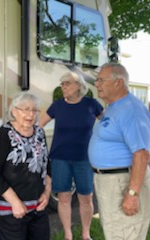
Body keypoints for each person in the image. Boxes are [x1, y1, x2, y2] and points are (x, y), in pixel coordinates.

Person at [88, 62, 150, 240]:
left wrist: (132, 194)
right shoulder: (114, 107)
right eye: (97, 80)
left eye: (101, 80)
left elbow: (142, 153)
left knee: (125, 233)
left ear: (119, 82)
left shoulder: (130, 109)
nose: (97, 84)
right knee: (115, 230)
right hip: (111, 181)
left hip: (123, 181)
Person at [39, 72, 104, 240]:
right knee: (64, 198)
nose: (63, 87)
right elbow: (39, 124)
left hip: (84, 158)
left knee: (86, 197)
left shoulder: (92, 104)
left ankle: (85, 234)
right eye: (62, 84)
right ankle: (68, 234)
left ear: (79, 86)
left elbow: (107, 124)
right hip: (60, 158)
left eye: (67, 83)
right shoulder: (57, 106)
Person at [0, 92, 51, 240]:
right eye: (25, 109)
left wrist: (47, 194)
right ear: (14, 111)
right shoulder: (4, 134)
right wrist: (15, 202)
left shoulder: (39, 132)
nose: (30, 114)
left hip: (37, 207)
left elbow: (47, 164)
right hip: (10, 210)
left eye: (35, 110)